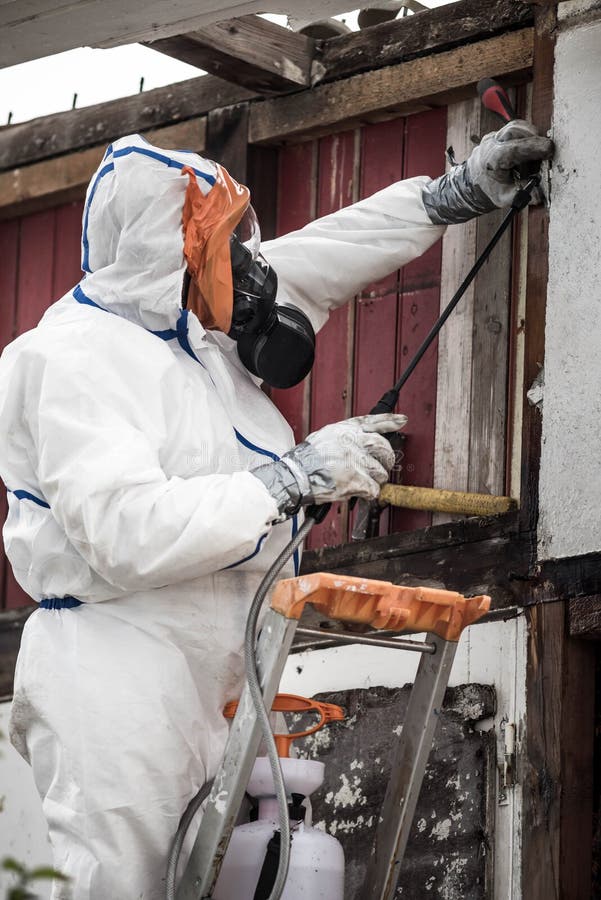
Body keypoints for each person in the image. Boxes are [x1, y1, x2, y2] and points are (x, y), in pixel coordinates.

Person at [0, 121, 552, 899]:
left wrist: (449, 196)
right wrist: (292, 478)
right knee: (120, 881)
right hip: (118, 660)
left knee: (220, 878)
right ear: (168, 250)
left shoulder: (197, 335)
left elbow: (325, 255)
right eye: (223, 242)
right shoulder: (71, 358)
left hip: (225, 657)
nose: (246, 266)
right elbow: (125, 533)